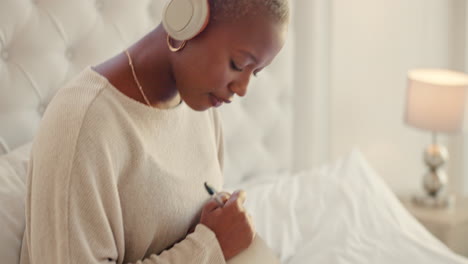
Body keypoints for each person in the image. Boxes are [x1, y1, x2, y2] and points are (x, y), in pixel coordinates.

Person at [19, 0, 289, 263]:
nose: (242, 89)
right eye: (238, 65)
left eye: (255, 73)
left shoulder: (201, 106)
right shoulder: (82, 125)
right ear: (189, 17)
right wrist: (211, 246)